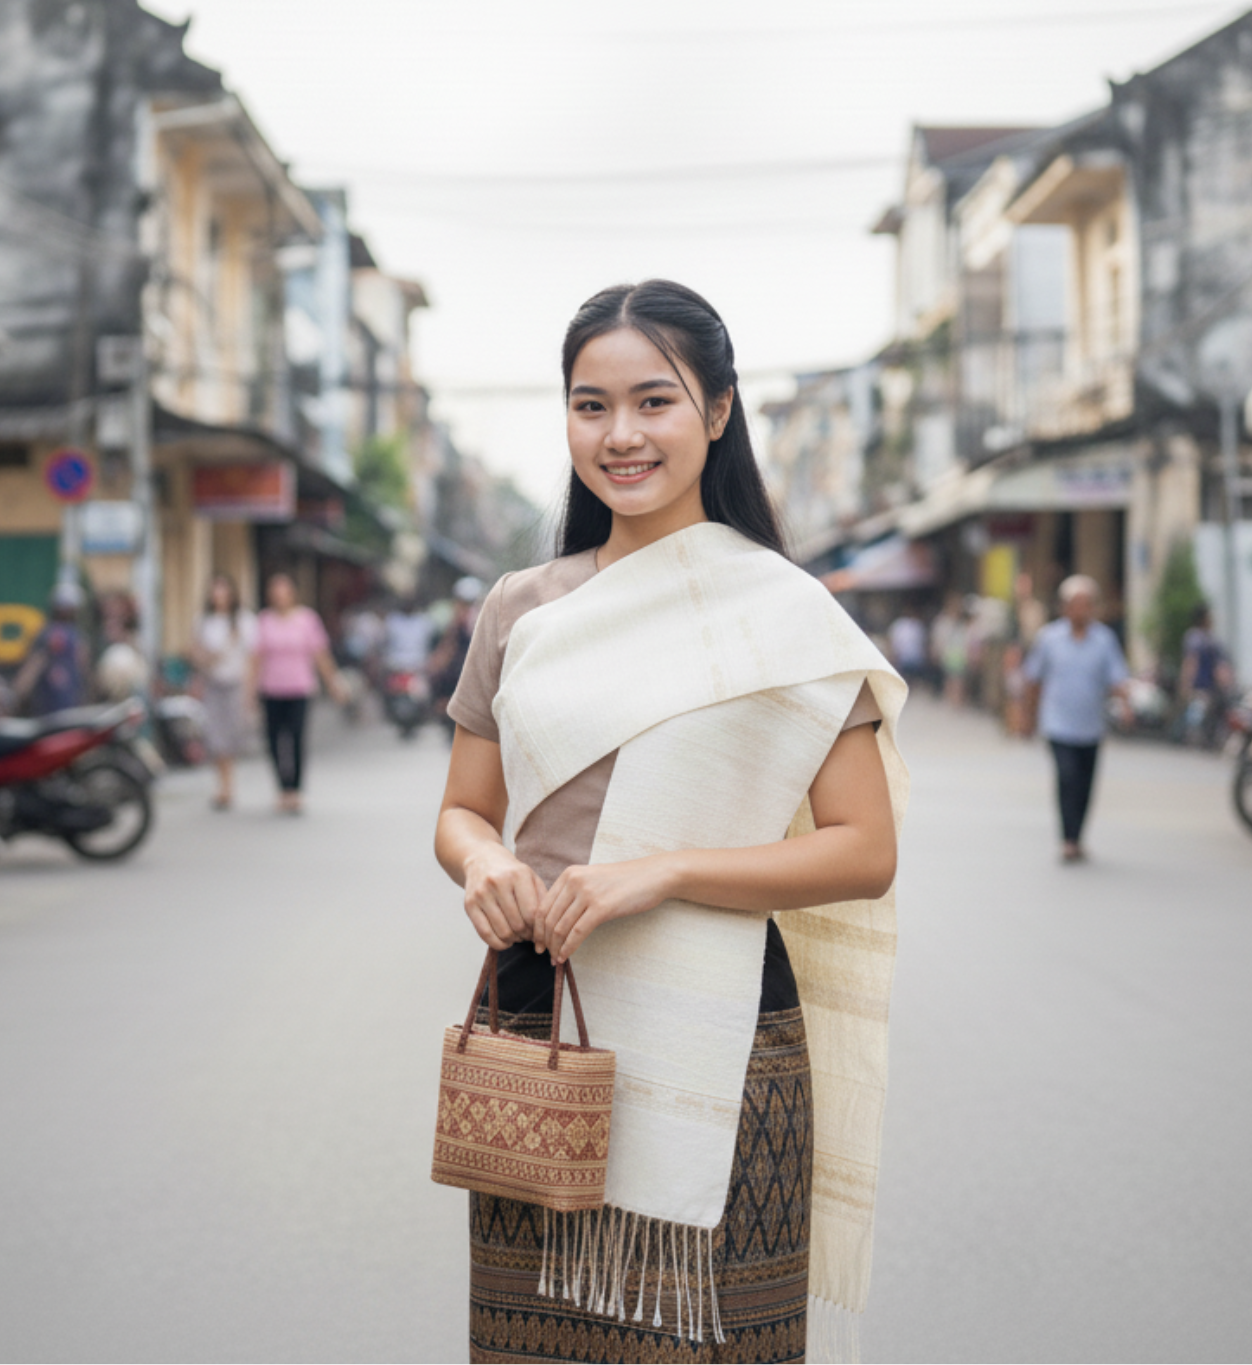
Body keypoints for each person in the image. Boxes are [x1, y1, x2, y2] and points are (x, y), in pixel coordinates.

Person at [434, 280, 906, 1360]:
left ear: (718, 411)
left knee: (711, 1338)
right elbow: (462, 811)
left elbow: (864, 850)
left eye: (654, 401)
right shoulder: (522, 606)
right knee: (534, 1338)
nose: (621, 434)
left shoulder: (781, 615)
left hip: (725, 1034)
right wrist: (483, 862)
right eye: (589, 405)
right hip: (538, 1015)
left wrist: (663, 872)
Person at [1022, 575, 1130, 863]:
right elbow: (1033, 680)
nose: (1080, 610)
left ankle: (1078, 835)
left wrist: (1126, 704)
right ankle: (1068, 838)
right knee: (1067, 777)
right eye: (1075, 604)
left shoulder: (1104, 640)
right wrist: (1027, 716)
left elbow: (1118, 677)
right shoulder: (1049, 638)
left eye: (1086, 605)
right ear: (1064, 607)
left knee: (1084, 784)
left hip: (1091, 725)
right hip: (1057, 723)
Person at [249, 572, 348, 815]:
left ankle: (295, 788)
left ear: (293, 593)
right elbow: (255, 659)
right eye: (275, 591)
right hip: (271, 689)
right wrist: (249, 692)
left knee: (295, 738)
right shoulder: (264, 620)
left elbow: (320, 655)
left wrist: (334, 683)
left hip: (299, 688)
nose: (280, 596)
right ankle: (281, 787)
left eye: (284, 590)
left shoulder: (307, 619)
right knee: (273, 739)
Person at [193, 574, 255, 811]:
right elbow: (194, 649)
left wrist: (251, 693)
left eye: (222, 589)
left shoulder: (243, 620)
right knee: (214, 735)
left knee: (231, 734)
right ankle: (223, 786)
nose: (218, 595)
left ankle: (229, 783)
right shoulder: (203, 620)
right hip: (212, 683)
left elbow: (252, 658)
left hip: (235, 683)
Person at [15, 583, 89, 716]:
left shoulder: (45, 634)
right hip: (67, 711)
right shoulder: (76, 637)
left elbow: (28, 675)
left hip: (45, 712)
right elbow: (83, 669)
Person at [427, 576, 482, 734]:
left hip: (463, 668)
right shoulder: (471, 615)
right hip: (466, 668)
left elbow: (449, 644)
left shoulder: (466, 617)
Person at [1177, 603, 1233, 743]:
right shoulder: (1197, 638)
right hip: (1200, 686)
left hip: (1210, 686)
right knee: (1197, 717)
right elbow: (1191, 662)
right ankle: (1194, 739)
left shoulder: (1208, 638)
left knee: (1204, 717)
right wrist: (1186, 683)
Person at [887, 610, 928, 681]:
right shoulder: (898, 625)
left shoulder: (918, 625)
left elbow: (923, 644)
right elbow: (891, 642)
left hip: (916, 661)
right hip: (901, 660)